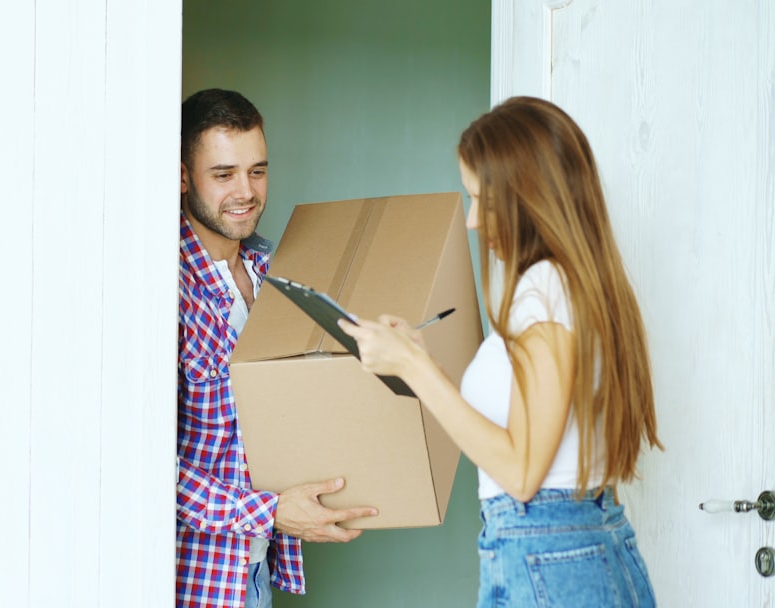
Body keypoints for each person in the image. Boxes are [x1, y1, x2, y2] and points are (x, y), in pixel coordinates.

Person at [340, 96, 663, 607]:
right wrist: (425, 365)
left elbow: (520, 473)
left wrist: (416, 369)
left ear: (526, 196)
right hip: (575, 546)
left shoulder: (542, 290)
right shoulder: (571, 286)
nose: (472, 221)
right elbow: (527, 428)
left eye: (480, 199)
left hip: (549, 551)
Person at [176, 88, 377, 608]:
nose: (245, 191)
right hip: (195, 580)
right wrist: (268, 512)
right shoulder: (164, 289)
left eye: (257, 171)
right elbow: (148, 467)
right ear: (182, 177)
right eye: (223, 174)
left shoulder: (278, 273)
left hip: (258, 572)